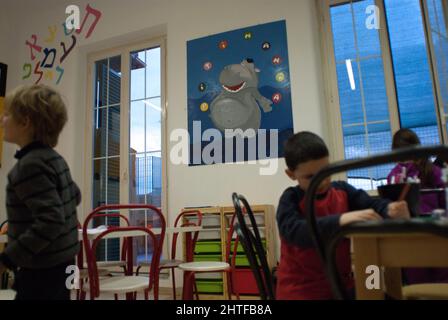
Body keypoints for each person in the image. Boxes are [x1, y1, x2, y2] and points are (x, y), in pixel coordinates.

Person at [276, 131, 410, 300]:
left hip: (341, 286)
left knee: (377, 291)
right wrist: (341, 220)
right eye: (310, 177)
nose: (322, 181)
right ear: (291, 174)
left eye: (325, 172)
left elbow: (372, 204)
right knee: (372, 284)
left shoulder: (342, 190)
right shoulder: (291, 198)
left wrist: (389, 208)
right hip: (301, 292)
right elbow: (295, 231)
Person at [0, 84, 81, 300]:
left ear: (25, 122)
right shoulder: (55, 159)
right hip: (63, 262)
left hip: (40, 269)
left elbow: (50, 220)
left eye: (7, 114)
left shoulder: (29, 166)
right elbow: (75, 195)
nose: (2, 119)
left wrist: (8, 259)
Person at [387, 128, 448, 284]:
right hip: (410, 235)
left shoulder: (433, 171)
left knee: (442, 277)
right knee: (417, 279)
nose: (407, 160)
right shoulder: (394, 175)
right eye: (401, 155)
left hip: (436, 232)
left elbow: (444, 199)